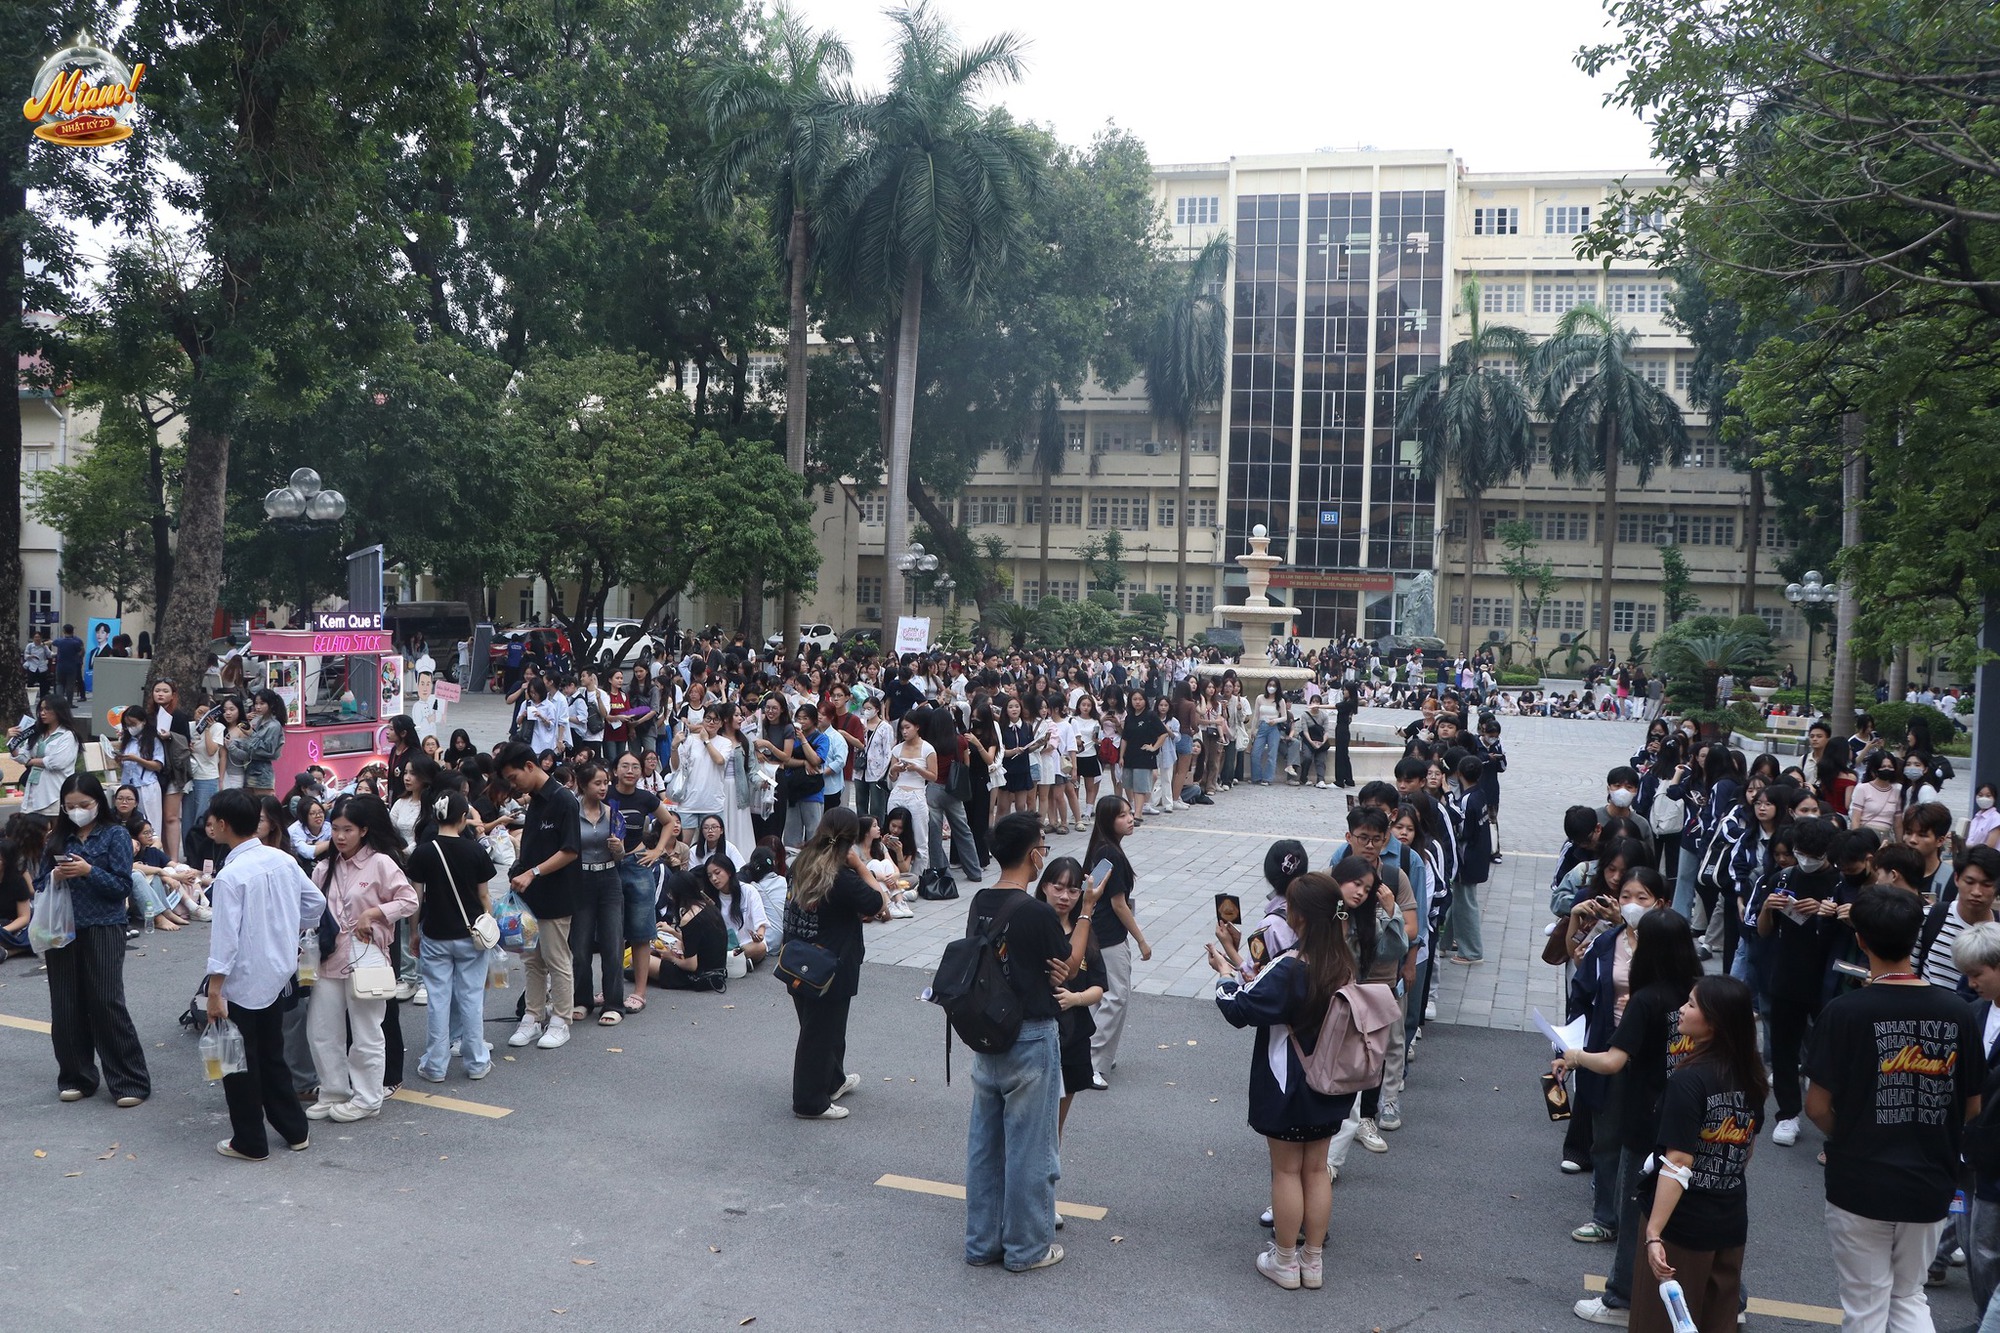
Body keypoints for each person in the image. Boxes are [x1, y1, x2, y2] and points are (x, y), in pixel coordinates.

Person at [1807, 886, 1986, 1330]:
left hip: (1859, 1176)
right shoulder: (1959, 1012)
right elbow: (1972, 1106)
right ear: (1918, 936)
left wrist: (1847, 1131)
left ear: (1861, 941)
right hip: (1930, 1179)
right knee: (1908, 1294)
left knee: (1866, 1303)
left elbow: (1816, 1107)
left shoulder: (1845, 1011)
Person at [1208, 868, 1365, 1291]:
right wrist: (1241, 964)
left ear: (1299, 917)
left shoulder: (1291, 966)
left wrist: (1224, 973)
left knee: (1285, 1172)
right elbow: (1266, 992)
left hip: (1286, 1082)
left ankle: (1284, 1261)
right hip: (1331, 1081)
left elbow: (1242, 1008)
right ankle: (1312, 1262)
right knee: (1316, 1169)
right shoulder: (1343, 962)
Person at [1557, 906, 1704, 1325]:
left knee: (1635, 1206)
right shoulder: (1698, 994)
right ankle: (1731, 1298)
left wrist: (1574, 1055)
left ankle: (1620, 1297)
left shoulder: (1645, 1000)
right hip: (1693, 1115)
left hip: (1645, 1120)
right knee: (1690, 1210)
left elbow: (1614, 1061)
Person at [961, 811, 1078, 1273]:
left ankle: (981, 1243)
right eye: (1044, 847)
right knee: (1031, 1149)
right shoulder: (1036, 911)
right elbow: (1063, 962)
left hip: (986, 1034)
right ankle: (1027, 1248)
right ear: (1034, 855)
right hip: (1030, 1036)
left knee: (985, 1146)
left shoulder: (980, 901)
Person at [1629, 976, 1769, 1333]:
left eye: (1691, 1004)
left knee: (1661, 1321)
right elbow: (1746, 1146)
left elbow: (1678, 1162)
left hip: (1683, 1225)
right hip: (1730, 1218)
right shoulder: (1752, 1075)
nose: (1681, 1010)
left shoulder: (1688, 1079)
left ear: (1714, 1021)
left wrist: (1654, 1233)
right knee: (1717, 1320)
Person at [202, 788, 325, 1160]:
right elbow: (315, 902)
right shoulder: (281, 859)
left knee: (238, 1062)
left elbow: (224, 940)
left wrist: (214, 990)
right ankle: (294, 1129)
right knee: (273, 1055)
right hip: (278, 972)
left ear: (223, 824)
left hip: (242, 980)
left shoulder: (230, 876)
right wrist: (286, 929)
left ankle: (250, 1140)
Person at [305, 794, 418, 1124]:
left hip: (366, 959)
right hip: (327, 960)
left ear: (364, 830)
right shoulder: (325, 868)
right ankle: (334, 1091)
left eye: (348, 830)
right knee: (322, 1031)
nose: (340, 836)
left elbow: (408, 900)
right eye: (336, 829)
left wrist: (374, 912)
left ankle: (368, 1097)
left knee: (367, 1033)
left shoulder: (381, 863)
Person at [40, 773, 149, 1106]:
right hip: (62, 929)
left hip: (104, 925)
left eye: (83, 805)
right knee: (66, 1003)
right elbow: (39, 884)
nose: (76, 811)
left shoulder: (114, 834)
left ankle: (129, 1080)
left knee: (105, 1001)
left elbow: (121, 886)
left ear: (97, 803)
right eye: (69, 806)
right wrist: (55, 875)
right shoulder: (57, 838)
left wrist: (89, 871)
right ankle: (76, 1076)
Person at [782, 806, 888, 1120]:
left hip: (798, 957)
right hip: (830, 964)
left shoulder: (801, 862)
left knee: (824, 1027)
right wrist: (861, 866)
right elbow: (877, 901)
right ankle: (810, 1102)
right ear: (851, 840)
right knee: (820, 1032)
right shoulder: (840, 876)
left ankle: (833, 1079)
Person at [497, 742, 582, 1052]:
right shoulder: (534, 802)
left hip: (557, 895)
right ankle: (533, 1016)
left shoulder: (564, 800)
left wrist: (532, 872)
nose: (512, 783)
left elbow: (570, 851)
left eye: (513, 776)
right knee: (532, 960)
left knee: (557, 959)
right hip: (528, 897)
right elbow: (532, 847)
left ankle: (561, 1020)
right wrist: (518, 873)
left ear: (530, 767)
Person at [409, 791, 497, 1082]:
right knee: (471, 998)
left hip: (435, 933)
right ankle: (476, 1062)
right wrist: (489, 922)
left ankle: (435, 1065)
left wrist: (413, 934)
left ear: (436, 817)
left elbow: (416, 900)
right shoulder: (475, 851)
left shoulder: (423, 852)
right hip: (470, 934)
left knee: (438, 1000)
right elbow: (484, 896)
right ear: (462, 819)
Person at [1085, 795, 1150, 1089]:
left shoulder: (1103, 850)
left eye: (1129, 814)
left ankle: (1097, 1053)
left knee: (1100, 997)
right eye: (1122, 815)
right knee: (1116, 996)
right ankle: (1092, 1060)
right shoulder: (1110, 854)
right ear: (1108, 821)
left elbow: (1092, 889)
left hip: (1096, 933)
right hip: (1108, 937)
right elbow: (1118, 904)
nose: (1130, 819)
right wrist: (1141, 940)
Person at [12, 693, 77, 824]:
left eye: (47, 709)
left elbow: (57, 762)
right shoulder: (36, 733)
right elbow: (21, 755)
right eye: (41, 709)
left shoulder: (67, 736)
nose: (43, 713)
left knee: (54, 832)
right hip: (33, 790)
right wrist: (12, 742)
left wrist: (31, 761)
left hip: (54, 792)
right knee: (31, 833)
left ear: (59, 711)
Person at [225, 689, 286, 798]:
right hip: (252, 770)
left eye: (262, 703)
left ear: (271, 705)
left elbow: (267, 750)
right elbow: (250, 749)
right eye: (256, 703)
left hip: (262, 773)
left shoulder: (274, 726)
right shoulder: (259, 721)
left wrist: (251, 734)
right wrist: (235, 744)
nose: (258, 707)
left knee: (263, 808)